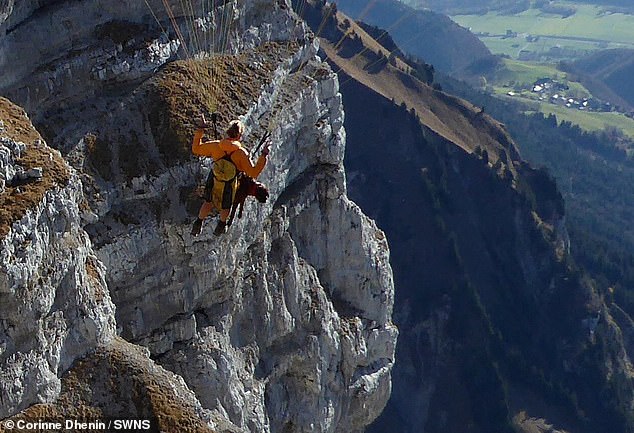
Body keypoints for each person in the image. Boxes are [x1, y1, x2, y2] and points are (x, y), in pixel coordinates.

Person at [191, 117, 269, 236]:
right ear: (239, 136)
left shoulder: (216, 146)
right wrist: (263, 155)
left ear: (227, 132)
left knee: (208, 201)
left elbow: (196, 149)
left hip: (215, 177)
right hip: (229, 183)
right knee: (225, 206)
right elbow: (253, 173)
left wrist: (200, 129)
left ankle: (199, 222)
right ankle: (221, 225)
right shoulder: (241, 153)